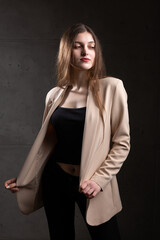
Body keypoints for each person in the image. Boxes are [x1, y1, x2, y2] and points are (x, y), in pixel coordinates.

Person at [5, 23, 130, 240]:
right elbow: (47, 145)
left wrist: (98, 180)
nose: (85, 52)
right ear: (66, 51)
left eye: (91, 46)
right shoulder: (54, 95)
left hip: (92, 183)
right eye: (78, 46)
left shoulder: (112, 87)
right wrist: (27, 177)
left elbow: (122, 143)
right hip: (55, 179)